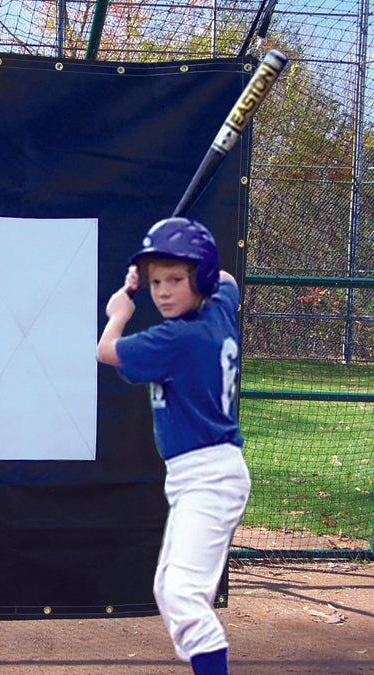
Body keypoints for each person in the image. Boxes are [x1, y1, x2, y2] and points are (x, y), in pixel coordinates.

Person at [96, 217, 251, 675]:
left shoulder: (177, 337)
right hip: (199, 475)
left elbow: (107, 351)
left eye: (176, 281)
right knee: (171, 588)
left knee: (183, 593)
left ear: (198, 279)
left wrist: (118, 313)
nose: (162, 292)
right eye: (155, 281)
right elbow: (228, 280)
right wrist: (175, 261)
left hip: (210, 476)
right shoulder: (218, 307)